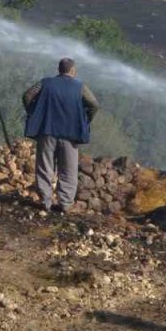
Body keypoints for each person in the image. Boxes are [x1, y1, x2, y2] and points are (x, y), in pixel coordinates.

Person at [22, 57, 99, 214]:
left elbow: (27, 96)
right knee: (68, 170)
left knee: (44, 167)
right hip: (70, 135)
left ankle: (45, 202)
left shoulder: (45, 83)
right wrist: (86, 120)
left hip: (47, 131)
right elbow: (94, 104)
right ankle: (65, 203)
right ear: (72, 71)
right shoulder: (80, 87)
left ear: (59, 70)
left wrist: (34, 113)